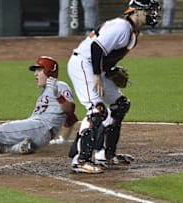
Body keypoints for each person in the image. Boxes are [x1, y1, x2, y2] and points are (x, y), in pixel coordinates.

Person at [67, 0, 160, 173]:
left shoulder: (132, 31)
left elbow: (106, 55)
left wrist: (109, 71)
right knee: (97, 109)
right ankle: (80, 160)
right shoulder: (122, 27)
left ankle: (106, 155)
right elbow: (96, 48)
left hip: (95, 67)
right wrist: (96, 75)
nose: (152, 15)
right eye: (149, 11)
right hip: (84, 64)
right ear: (136, 12)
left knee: (120, 104)